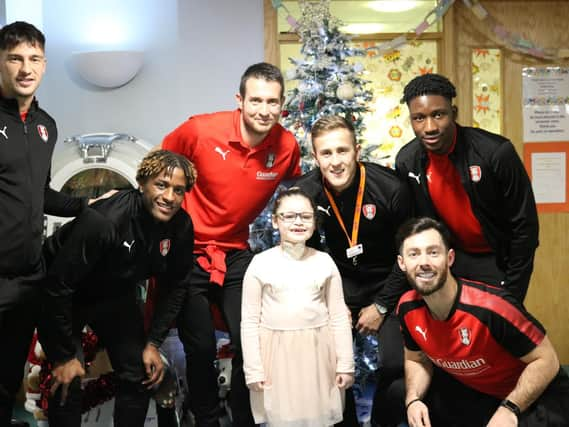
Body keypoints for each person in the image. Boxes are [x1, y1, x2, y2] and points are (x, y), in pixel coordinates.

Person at [161, 62, 301, 426]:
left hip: (236, 252)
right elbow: (160, 165)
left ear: (282, 104)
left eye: (272, 102)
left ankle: (244, 417)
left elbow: (299, 192)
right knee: (202, 346)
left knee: (251, 342)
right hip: (188, 251)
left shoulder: (285, 146)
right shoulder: (200, 130)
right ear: (239, 100)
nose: (264, 110)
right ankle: (205, 418)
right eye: (255, 100)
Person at [39, 150, 196, 427]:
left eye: (179, 190)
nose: (170, 197)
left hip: (114, 293)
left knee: (139, 371)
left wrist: (152, 343)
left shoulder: (181, 226)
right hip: (66, 295)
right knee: (68, 379)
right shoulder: (106, 220)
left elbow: (176, 286)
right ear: (142, 183)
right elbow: (57, 285)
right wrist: (64, 356)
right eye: (161, 185)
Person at [0, 21, 93, 425]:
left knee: (6, 382)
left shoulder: (45, 126)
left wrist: (90, 203)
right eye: (15, 58)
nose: (26, 68)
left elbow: (41, 194)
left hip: (27, 279)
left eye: (34, 59)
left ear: (44, 64)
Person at [396, 217, 569, 427]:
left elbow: (547, 360)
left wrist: (510, 409)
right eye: (414, 254)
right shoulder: (407, 308)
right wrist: (413, 399)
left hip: (536, 393)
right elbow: (416, 359)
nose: (424, 262)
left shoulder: (491, 307)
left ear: (450, 258)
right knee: (396, 396)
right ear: (402, 263)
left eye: (433, 252)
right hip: (480, 393)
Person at [295, 115, 412, 427]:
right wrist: (334, 302)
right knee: (329, 365)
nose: (335, 162)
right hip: (337, 283)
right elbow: (301, 259)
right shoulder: (304, 195)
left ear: (357, 150)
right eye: (326, 153)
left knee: (396, 367)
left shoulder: (390, 188)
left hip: (389, 280)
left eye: (342, 151)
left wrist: (382, 304)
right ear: (315, 156)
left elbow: (409, 254)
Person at [395, 73, 539, 302]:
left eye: (438, 115)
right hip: (451, 261)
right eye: (419, 118)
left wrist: (513, 290)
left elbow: (525, 227)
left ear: (454, 113)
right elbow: (417, 225)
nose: (429, 127)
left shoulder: (495, 153)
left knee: (496, 333)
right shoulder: (407, 160)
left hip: (497, 260)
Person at [241, 187, 354, 426]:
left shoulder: (324, 262)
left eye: (305, 216)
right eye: (289, 216)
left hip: (318, 356)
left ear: (314, 221)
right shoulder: (260, 264)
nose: (298, 222)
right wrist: (253, 370)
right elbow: (249, 322)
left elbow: (338, 317)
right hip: (276, 358)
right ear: (275, 221)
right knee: (282, 417)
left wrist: (345, 364)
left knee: (318, 417)